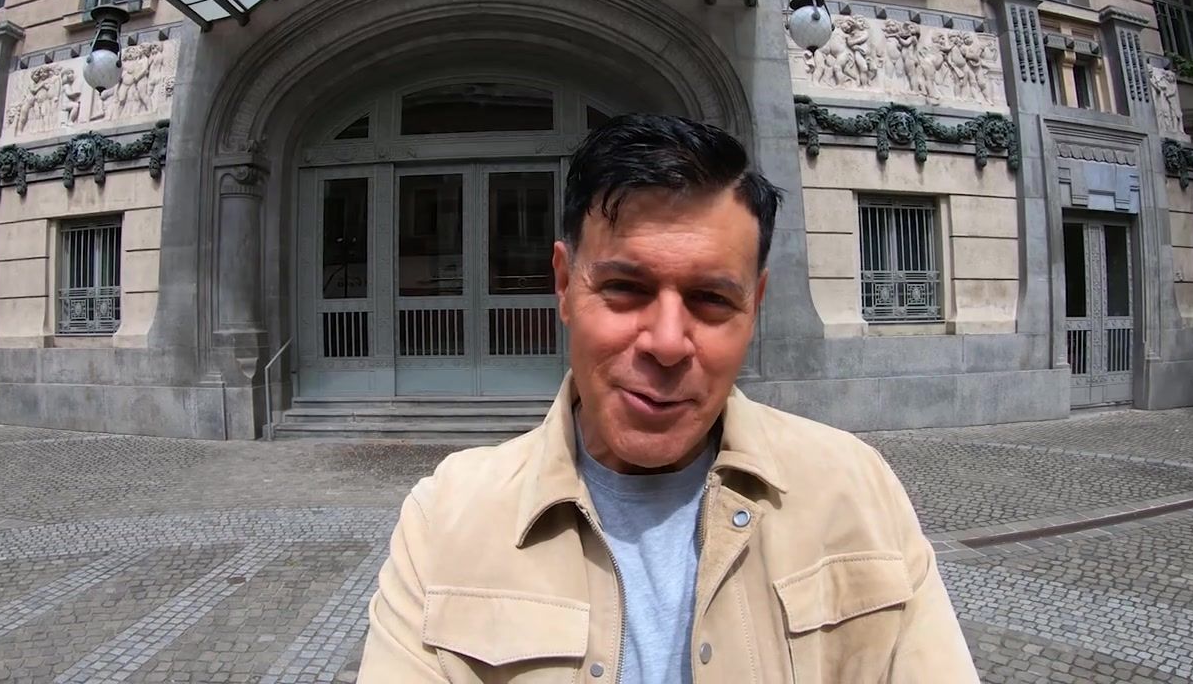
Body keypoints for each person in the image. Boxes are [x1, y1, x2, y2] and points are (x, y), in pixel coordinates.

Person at [357, 114, 979, 683]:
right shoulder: (446, 519)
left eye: (711, 300)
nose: (667, 343)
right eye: (625, 288)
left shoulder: (858, 490)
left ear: (755, 306)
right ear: (564, 285)